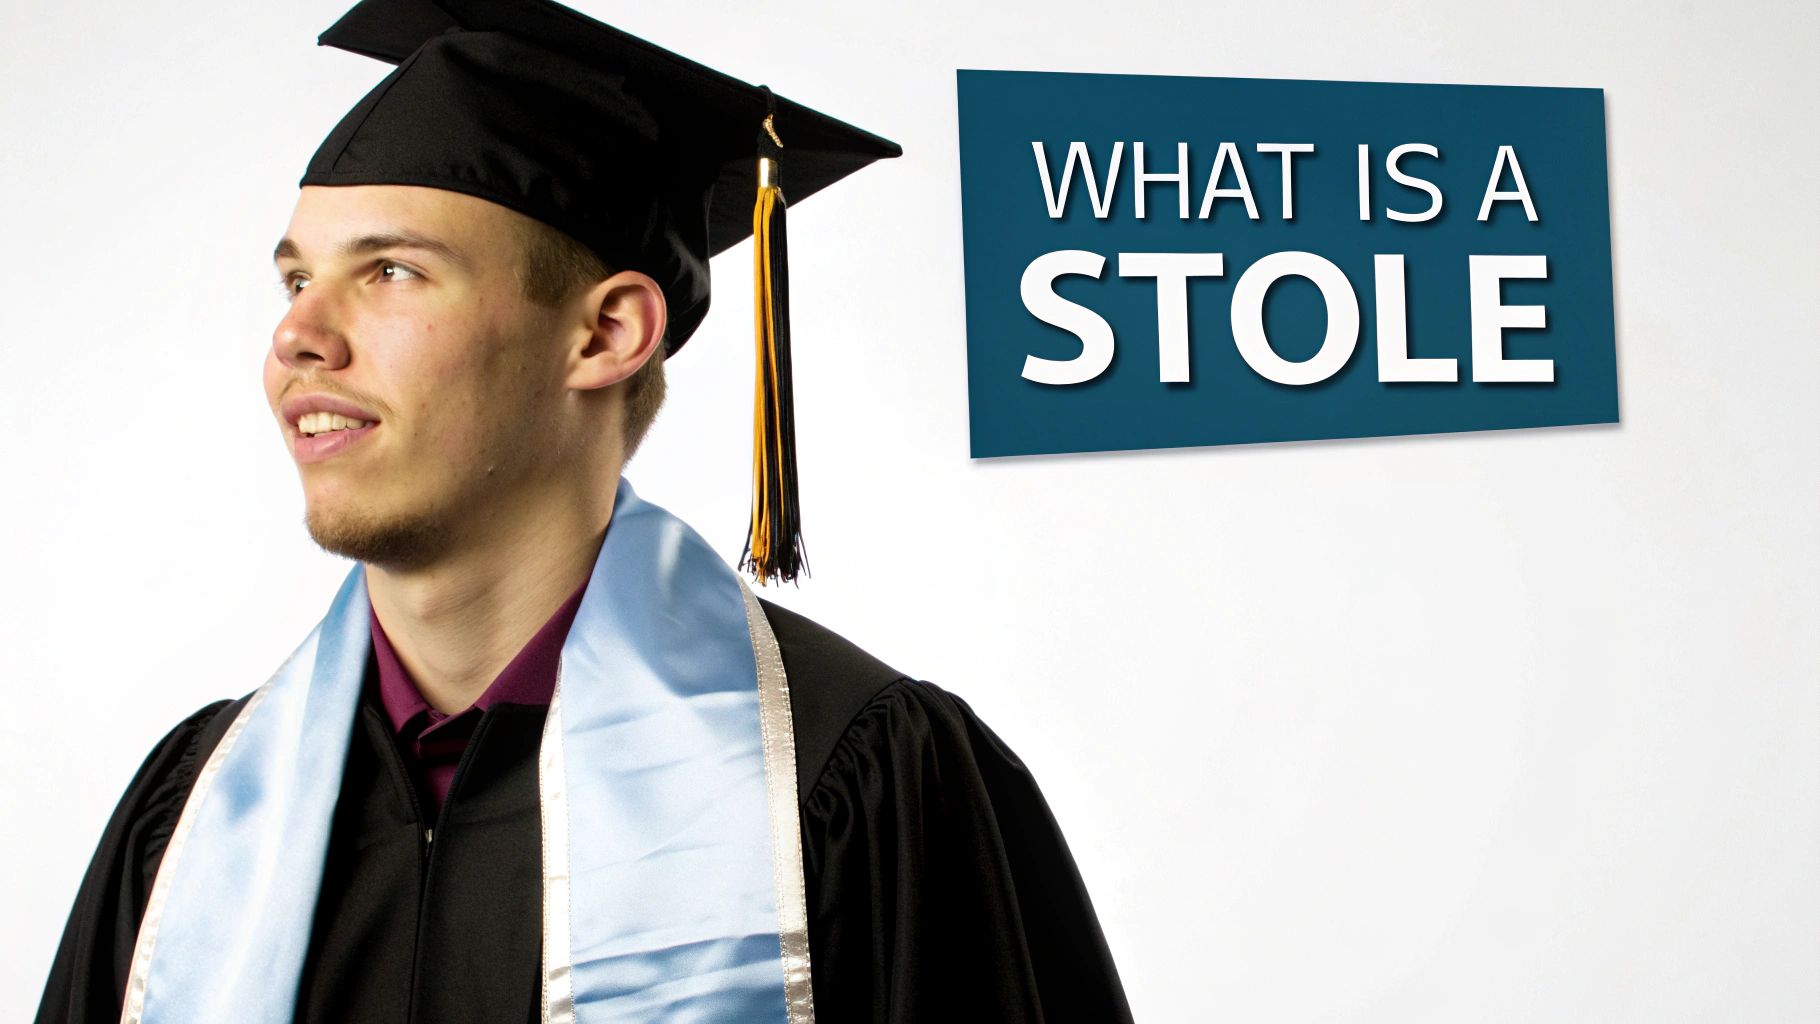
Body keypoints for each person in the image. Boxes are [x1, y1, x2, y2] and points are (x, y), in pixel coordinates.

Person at [34, 1, 1132, 1021]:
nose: (299, 337)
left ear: (607, 335)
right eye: (296, 281)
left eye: (393, 274)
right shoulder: (200, 818)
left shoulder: (854, 786)